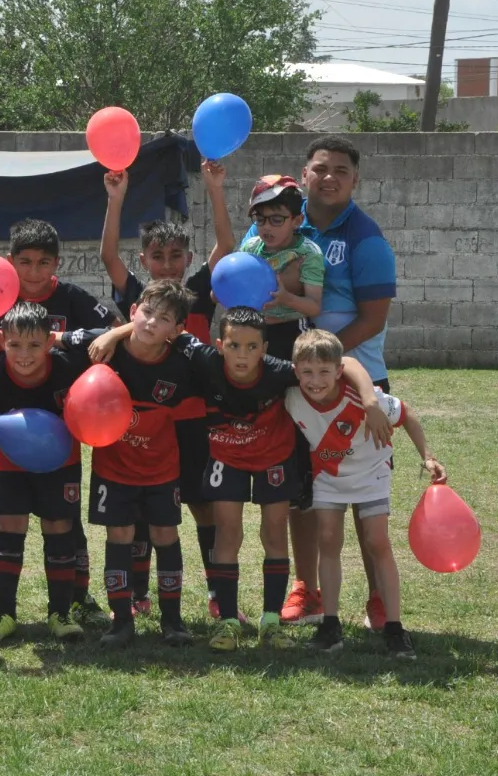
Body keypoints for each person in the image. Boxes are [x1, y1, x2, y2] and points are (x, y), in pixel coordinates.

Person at [92, 307, 386, 651]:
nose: (241, 355)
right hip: (226, 458)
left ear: (264, 349)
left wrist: (369, 400)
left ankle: (271, 623)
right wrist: (113, 333)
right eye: (233, 346)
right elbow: (161, 328)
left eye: (251, 347)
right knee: (228, 534)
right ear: (219, 345)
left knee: (274, 534)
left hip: (273, 459)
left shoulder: (278, 372)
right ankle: (229, 621)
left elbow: (346, 364)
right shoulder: (204, 359)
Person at [0, 218, 117, 620]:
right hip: (4, 405)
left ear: (56, 263)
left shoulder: (72, 298)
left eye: (43, 263)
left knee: (64, 514)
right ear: (10, 262)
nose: (34, 273)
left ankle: (78, 595)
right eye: (25, 262)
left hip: (57, 409)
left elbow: (112, 330)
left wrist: (56, 341)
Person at [266, 137, 399, 633]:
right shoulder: (282, 227)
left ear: (354, 180)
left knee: (367, 498)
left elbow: (374, 317)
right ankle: (308, 589)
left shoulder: (367, 239)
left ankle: (379, 599)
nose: (329, 177)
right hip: (301, 385)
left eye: (340, 170)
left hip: (353, 380)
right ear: (304, 174)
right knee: (306, 488)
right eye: (320, 168)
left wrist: (323, 360)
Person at [101, 163, 233, 620]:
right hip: (143, 426)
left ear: (188, 258)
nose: (168, 265)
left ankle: (218, 595)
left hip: (193, 422)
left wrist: (215, 189)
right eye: (158, 256)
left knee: (201, 505)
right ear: (145, 262)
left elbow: (226, 249)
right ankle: (138, 593)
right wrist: (116, 200)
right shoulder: (138, 297)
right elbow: (109, 259)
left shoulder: (198, 291)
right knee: (140, 512)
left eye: (176, 255)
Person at [57, 280, 201, 648]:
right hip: (113, 469)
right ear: (133, 312)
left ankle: (173, 620)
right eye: (147, 312)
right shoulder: (103, 348)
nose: (152, 322)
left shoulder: (185, 361)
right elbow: (51, 339)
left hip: (161, 469)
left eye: (164, 318)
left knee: (164, 536)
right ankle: (121, 621)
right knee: (118, 536)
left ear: (177, 329)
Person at [285, 329, 445, 659]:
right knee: (327, 540)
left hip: (371, 473)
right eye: (308, 372)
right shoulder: (291, 396)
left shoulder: (362, 397)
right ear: (295, 370)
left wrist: (427, 456)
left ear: (338, 372)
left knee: (377, 542)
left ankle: (395, 629)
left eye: (324, 372)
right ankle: (331, 625)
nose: (316, 381)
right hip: (329, 477)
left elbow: (407, 414)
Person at [0, 302, 97, 645]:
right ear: (3, 343)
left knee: (59, 528)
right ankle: (3, 613)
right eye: (14, 345)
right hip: (8, 464)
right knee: (7, 528)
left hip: (61, 463)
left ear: (50, 341)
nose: (24, 354)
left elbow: (105, 342)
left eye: (34, 345)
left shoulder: (70, 368)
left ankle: (60, 613)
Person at [238, 175, 324, 360]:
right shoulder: (250, 247)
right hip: (254, 330)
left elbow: (314, 306)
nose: (266, 227)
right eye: (260, 219)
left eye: (276, 219)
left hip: (291, 330)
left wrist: (286, 298)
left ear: (297, 220)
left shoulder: (308, 254)